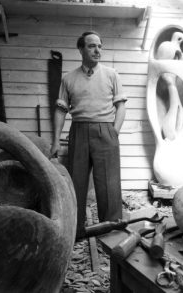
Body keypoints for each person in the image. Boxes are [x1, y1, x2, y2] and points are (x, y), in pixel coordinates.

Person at [50, 31, 127, 239]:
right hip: (79, 131)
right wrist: (56, 141)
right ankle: (75, 230)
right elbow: (60, 110)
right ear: (81, 49)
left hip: (106, 131)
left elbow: (120, 106)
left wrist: (114, 132)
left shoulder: (112, 74)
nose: (97, 50)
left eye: (100, 46)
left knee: (109, 183)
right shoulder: (68, 79)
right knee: (76, 182)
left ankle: (110, 230)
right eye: (92, 46)